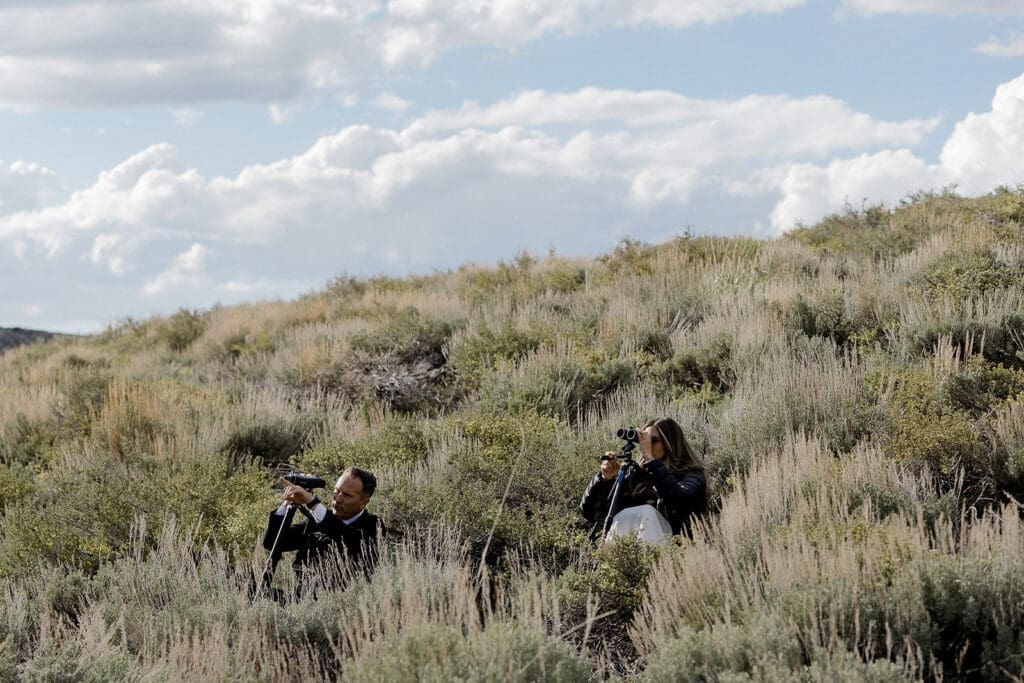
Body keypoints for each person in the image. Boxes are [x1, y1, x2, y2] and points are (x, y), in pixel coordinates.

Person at [579, 417, 707, 541]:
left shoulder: (692, 473)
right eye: (644, 440)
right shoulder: (636, 475)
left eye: (653, 440)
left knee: (646, 512)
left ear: (669, 444)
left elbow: (680, 499)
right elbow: (593, 513)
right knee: (624, 515)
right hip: (630, 550)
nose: (646, 445)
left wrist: (651, 460)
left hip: (673, 548)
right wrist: (605, 480)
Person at [262, 466, 384, 591]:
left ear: (364, 502)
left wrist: (312, 503)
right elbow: (272, 542)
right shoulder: (317, 521)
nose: (338, 498)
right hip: (304, 598)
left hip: (346, 603)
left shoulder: (374, 526)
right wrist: (288, 503)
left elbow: (346, 536)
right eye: (336, 491)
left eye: (347, 495)